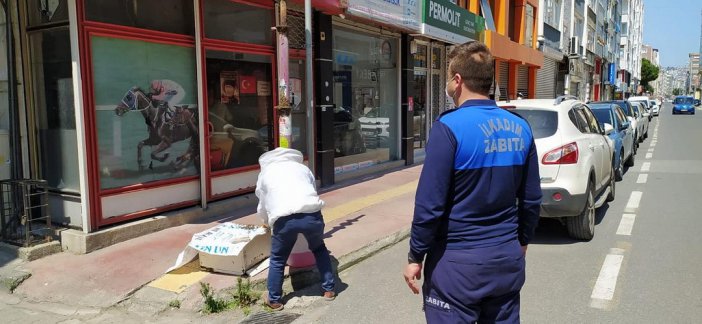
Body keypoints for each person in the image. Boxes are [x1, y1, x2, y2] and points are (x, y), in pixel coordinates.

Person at [403, 41, 542, 323]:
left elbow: (429, 205)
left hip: (457, 269)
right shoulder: (521, 127)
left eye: (448, 79)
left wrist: (415, 256)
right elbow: (531, 200)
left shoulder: (448, 128)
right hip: (506, 261)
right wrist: (522, 241)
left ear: (457, 80)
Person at [255, 148, 336, 311]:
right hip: (312, 215)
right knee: (319, 249)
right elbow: (311, 190)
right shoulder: (303, 169)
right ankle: (329, 290)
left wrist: (265, 221)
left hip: (284, 219)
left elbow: (263, 204)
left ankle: (274, 299)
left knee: (278, 258)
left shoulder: (266, 173)